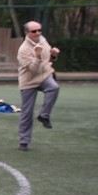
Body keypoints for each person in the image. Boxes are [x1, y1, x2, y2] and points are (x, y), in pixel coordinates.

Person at [16, 21, 60, 150]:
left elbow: (49, 60)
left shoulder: (43, 40)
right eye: (34, 31)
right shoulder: (23, 49)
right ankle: (24, 142)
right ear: (27, 33)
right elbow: (33, 70)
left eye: (39, 30)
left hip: (44, 75)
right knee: (27, 112)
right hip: (29, 80)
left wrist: (53, 55)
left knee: (54, 87)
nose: (38, 33)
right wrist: (37, 56)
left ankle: (44, 115)